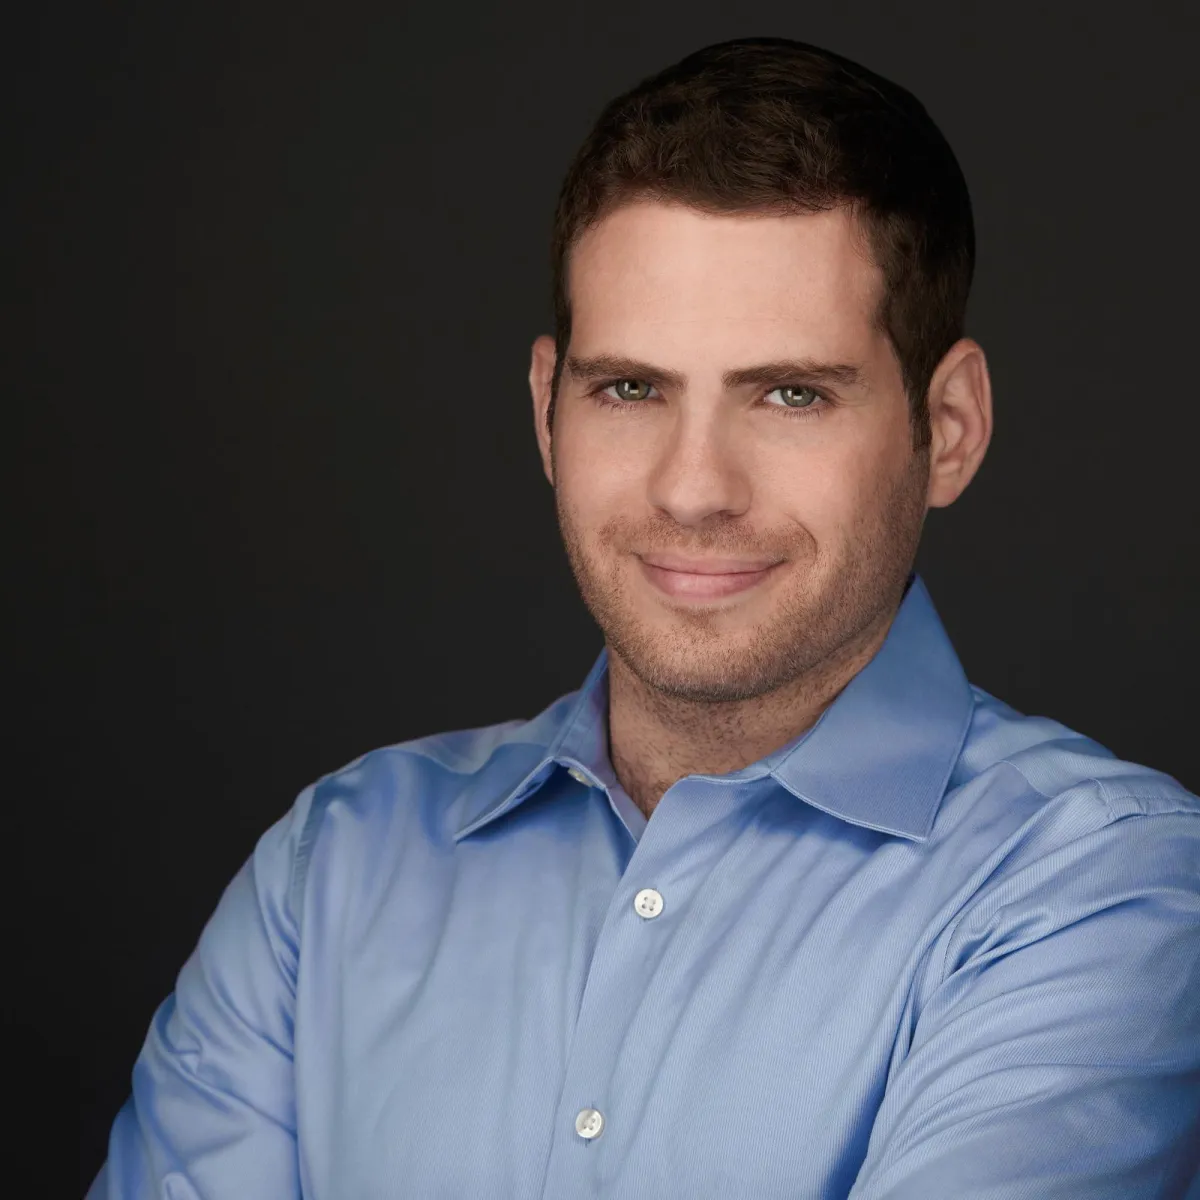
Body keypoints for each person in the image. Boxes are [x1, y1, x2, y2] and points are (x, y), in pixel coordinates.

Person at [88, 36, 1200, 1199]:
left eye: (790, 394)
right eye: (630, 389)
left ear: (951, 428)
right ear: (546, 412)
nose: (692, 488)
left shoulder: (1097, 891)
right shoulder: (332, 874)